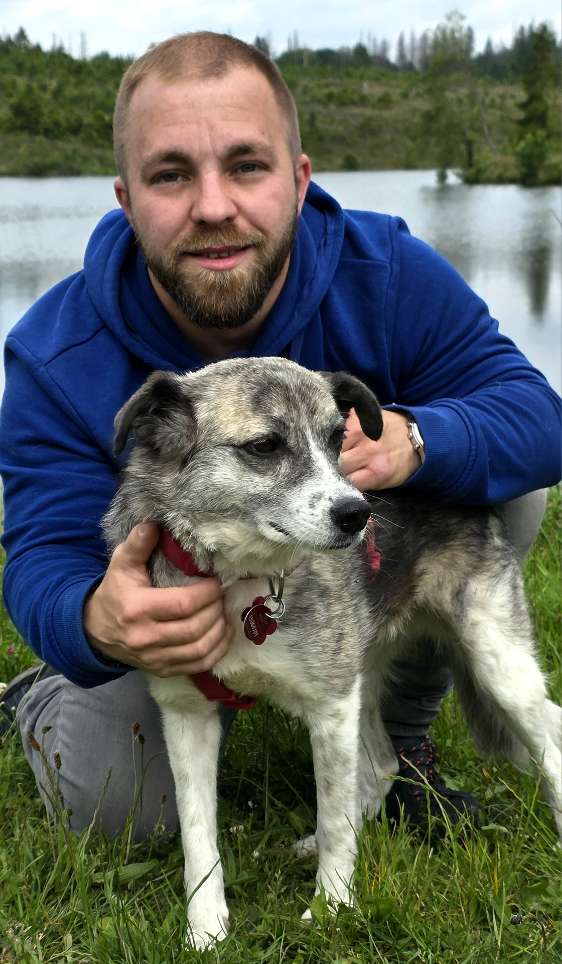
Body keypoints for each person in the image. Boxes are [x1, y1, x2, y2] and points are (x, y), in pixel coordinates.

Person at [1, 32, 560, 841]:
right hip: (172, 610)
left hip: (331, 577)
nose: (213, 206)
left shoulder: (389, 272)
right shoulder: (54, 353)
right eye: (170, 175)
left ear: (299, 180)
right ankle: (37, 697)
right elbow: (41, 551)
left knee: (508, 477)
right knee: (119, 811)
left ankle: (398, 743)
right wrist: (91, 619)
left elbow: (538, 416)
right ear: (125, 199)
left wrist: (418, 439)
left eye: (246, 165)